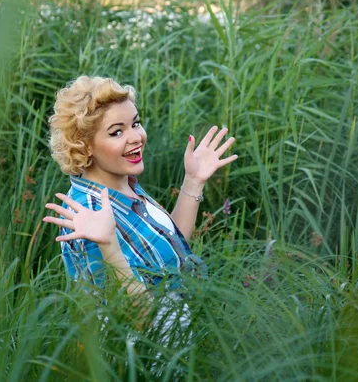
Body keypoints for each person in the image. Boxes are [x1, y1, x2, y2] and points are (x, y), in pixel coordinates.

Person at [42, 75, 237, 328]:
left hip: (176, 339)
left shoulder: (121, 183)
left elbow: (166, 251)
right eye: (117, 132)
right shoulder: (88, 212)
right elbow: (130, 320)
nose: (136, 137)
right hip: (145, 357)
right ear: (86, 145)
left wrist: (193, 180)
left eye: (136, 124)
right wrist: (109, 245)